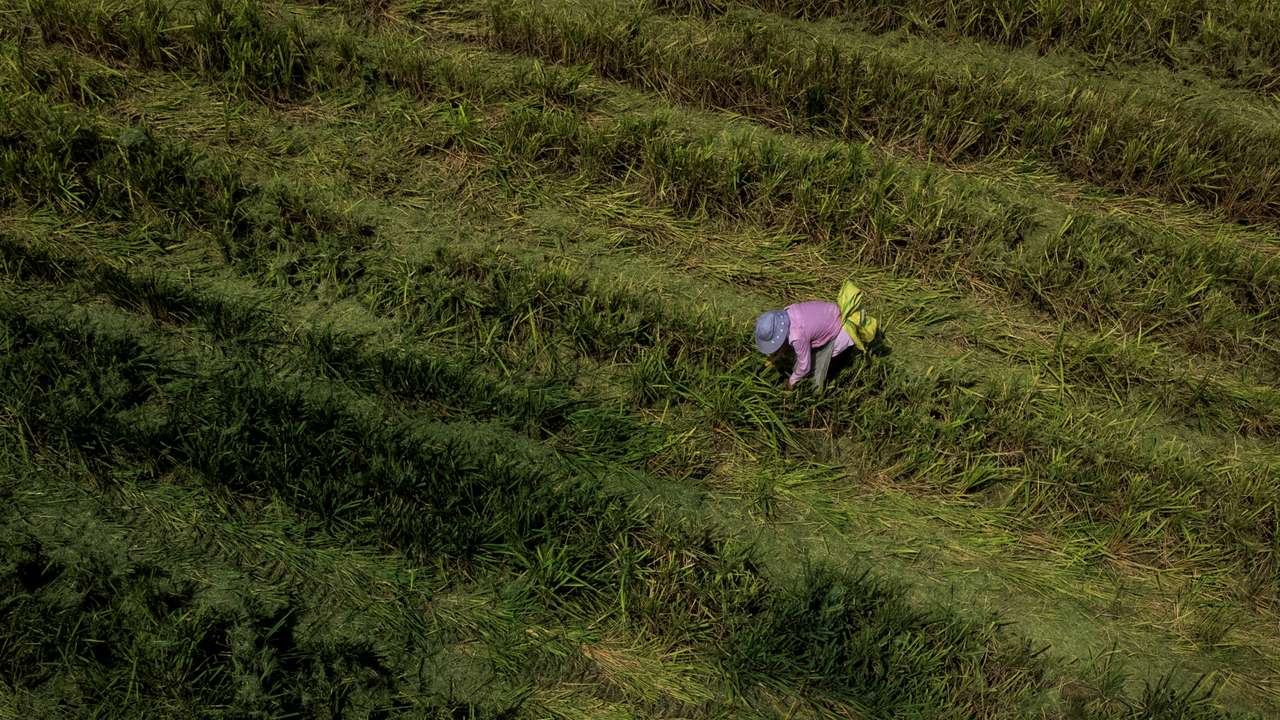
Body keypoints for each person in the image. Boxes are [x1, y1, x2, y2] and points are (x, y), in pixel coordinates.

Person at [754, 281, 880, 390]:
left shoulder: (797, 336)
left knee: (820, 369)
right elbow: (788, 337)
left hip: (841, 332)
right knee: (804, 356)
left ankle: (820, 391)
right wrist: (774, 357)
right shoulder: (789, 311)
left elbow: (805, 366)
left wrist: (791, 382)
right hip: (831, 315)